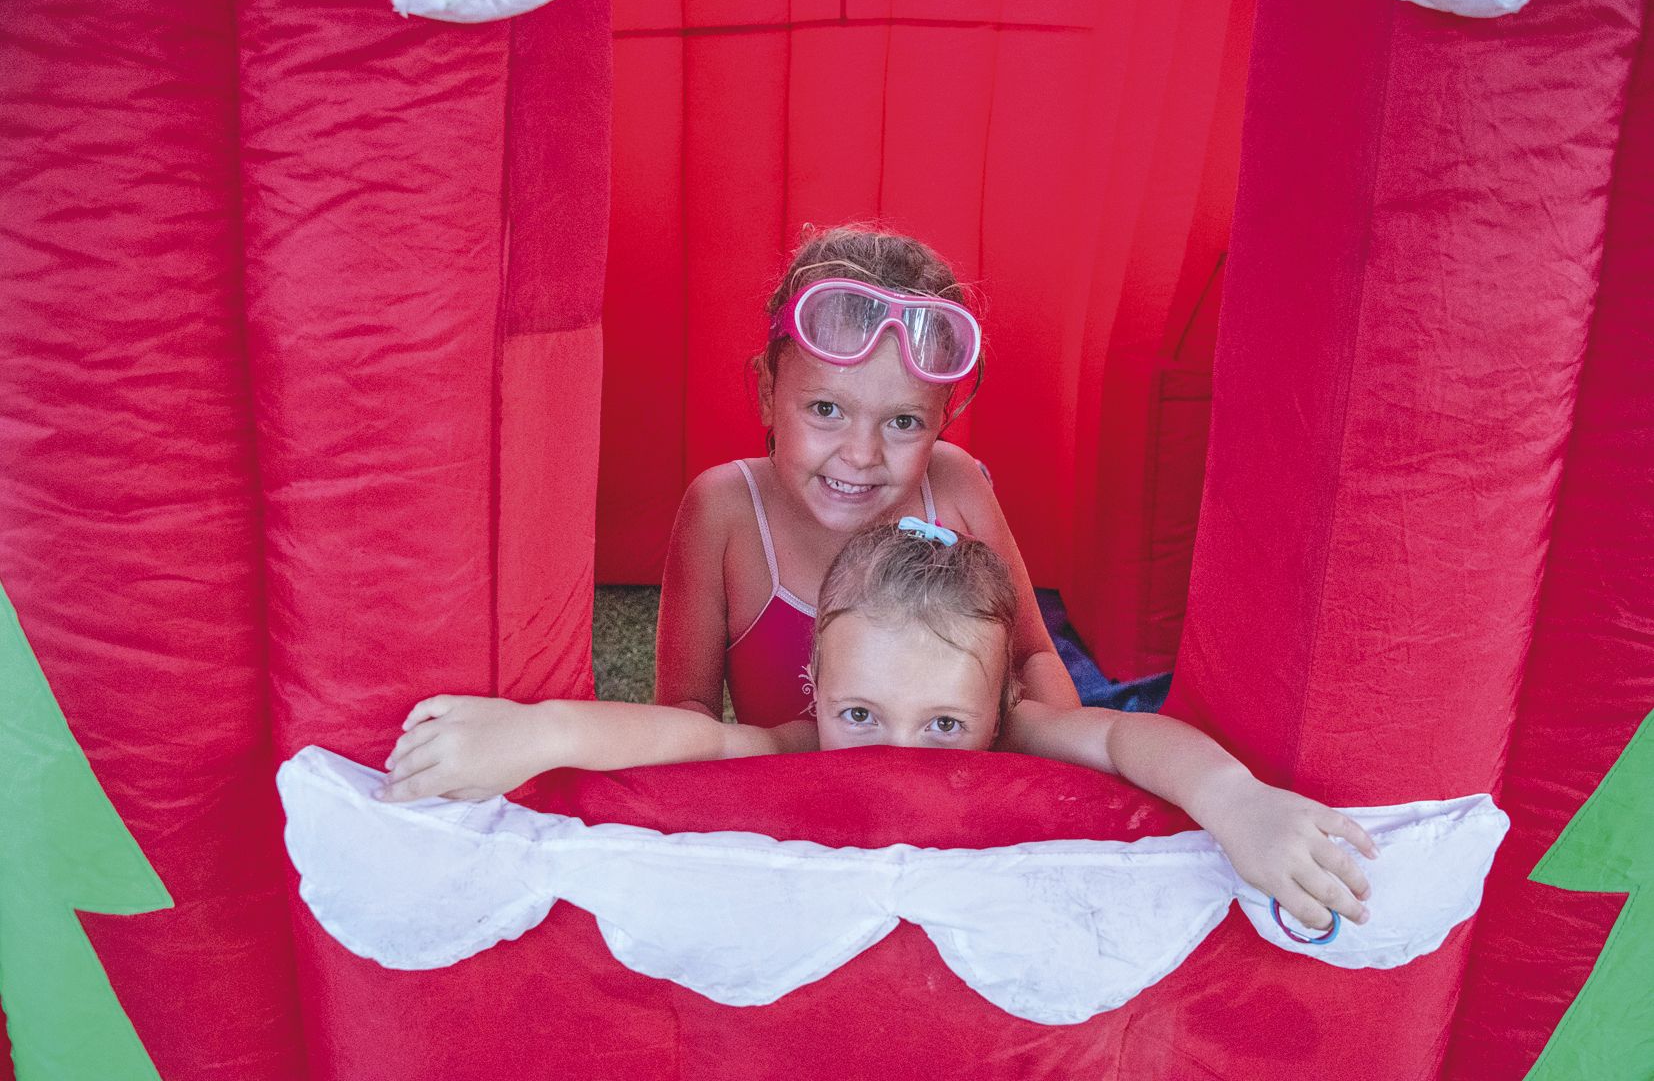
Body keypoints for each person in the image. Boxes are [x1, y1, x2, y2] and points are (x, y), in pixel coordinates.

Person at [381, 522, 1377, 933]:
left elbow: (1125, 741)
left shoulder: (1015, 737)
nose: (898, 750)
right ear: (811, 689)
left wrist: (1235, 799)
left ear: (992, 717)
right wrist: (539, 731)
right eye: (862, 713)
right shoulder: (795, 744)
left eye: (942, 722)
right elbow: (681, 738)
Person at [655, 224, 1080, 733]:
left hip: (952, 800)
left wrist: (1068, 780)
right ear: (768, 392)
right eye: (826, 408)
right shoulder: (723, 511)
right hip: (787, 806)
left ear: (942, 418)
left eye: (903, 421)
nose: (860, 456)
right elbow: (686, 709)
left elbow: (1032, 656)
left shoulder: (955, 484)